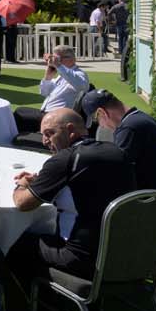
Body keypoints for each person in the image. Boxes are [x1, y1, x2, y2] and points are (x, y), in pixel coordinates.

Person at [9, 108, 138, 290]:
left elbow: (22, 203)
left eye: (49, 133)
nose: (45, 141)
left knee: (15, 240)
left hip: (80, 257)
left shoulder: (65, 159)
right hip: (122, 252)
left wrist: (22, 185)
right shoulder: (117, 152)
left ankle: (27, 303)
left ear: (70, 130)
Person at [85, 90, 156, 198]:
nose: (101, 126)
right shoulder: (137, 118)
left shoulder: (129, 129)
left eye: (97, 120)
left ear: (102, 112)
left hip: (153, 201)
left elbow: (117, 172)